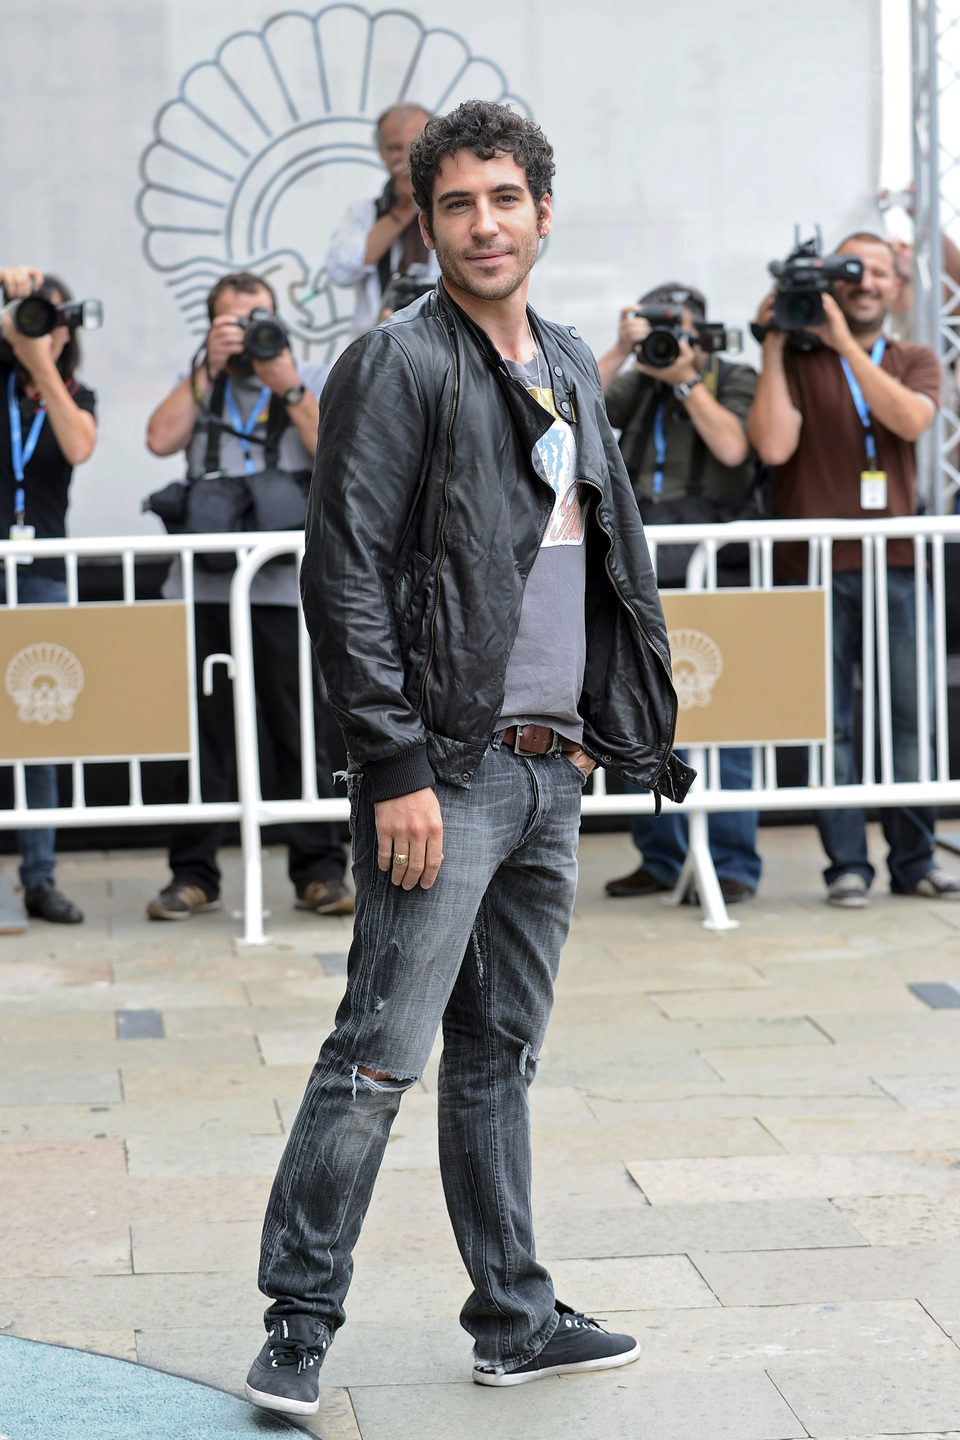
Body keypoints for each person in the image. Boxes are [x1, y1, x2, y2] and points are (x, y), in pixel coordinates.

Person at [243, 100, 692, 1416]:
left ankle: (514, 1314)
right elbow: (348, 575)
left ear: (543, 213)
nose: (484, 223)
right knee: (378, 1054)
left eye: (505, 198)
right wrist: (395, 771)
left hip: (549, 772)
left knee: (497, 1058)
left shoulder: (560, 359)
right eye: (458, 204)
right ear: (428, 224)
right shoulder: (398, 358)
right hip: (446, 771)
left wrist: (615, 723)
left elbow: (607, 559)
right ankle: (297, 1324)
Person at [747, 231, 960, 907]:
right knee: (828, 722)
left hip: (895, 563)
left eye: (877, 272)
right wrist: (779, 337)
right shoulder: (794, 357)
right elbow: (774, 446)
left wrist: (843, 345)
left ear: (897, 289)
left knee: (908, 715)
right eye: (849, 271)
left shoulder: (914, 357)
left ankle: (915, 859)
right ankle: (846, 866)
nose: (863, 282)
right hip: (810, 568)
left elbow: (909, 420)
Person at [144, 271, 351, 920]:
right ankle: (193, 873)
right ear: (210, 327)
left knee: (301, 732)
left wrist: (282, 379)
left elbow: (337, 453)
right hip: (202, 588)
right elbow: (159, 439)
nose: (246, 330)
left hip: (285, 590)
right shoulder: (200, 381)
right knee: (203, 735)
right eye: (231, 321)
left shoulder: (305, 378)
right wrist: (207, 366)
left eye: (256, 316)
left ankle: (320, 871)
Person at [597, 285, 763, 904]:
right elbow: (570, 404)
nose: (667, 342)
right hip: (642, 562)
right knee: (645, 712)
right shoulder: (637, 381)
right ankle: (661, 857)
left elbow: (732, 447)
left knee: (724, 714)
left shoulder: (733, 375)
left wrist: (689, 379)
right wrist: (623, 350)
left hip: (716, 562)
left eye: (677, 329)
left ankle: (732, 862)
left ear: (705, 331)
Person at [0, 265, 97, 924]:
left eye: (50, 315)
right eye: (29, 313)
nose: (40, 325)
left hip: (39, 575)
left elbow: (77, 446)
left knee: (39, 727)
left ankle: (39, 875)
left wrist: (41, 363)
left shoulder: (76, 395)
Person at [324, 104, 440, 335]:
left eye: (416, 145)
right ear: (381, 152)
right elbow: (341, 272)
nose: (407, 157)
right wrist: (404, 208)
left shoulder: (455, 206)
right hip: (378, 344)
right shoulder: (364, 212)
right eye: (395, 148)